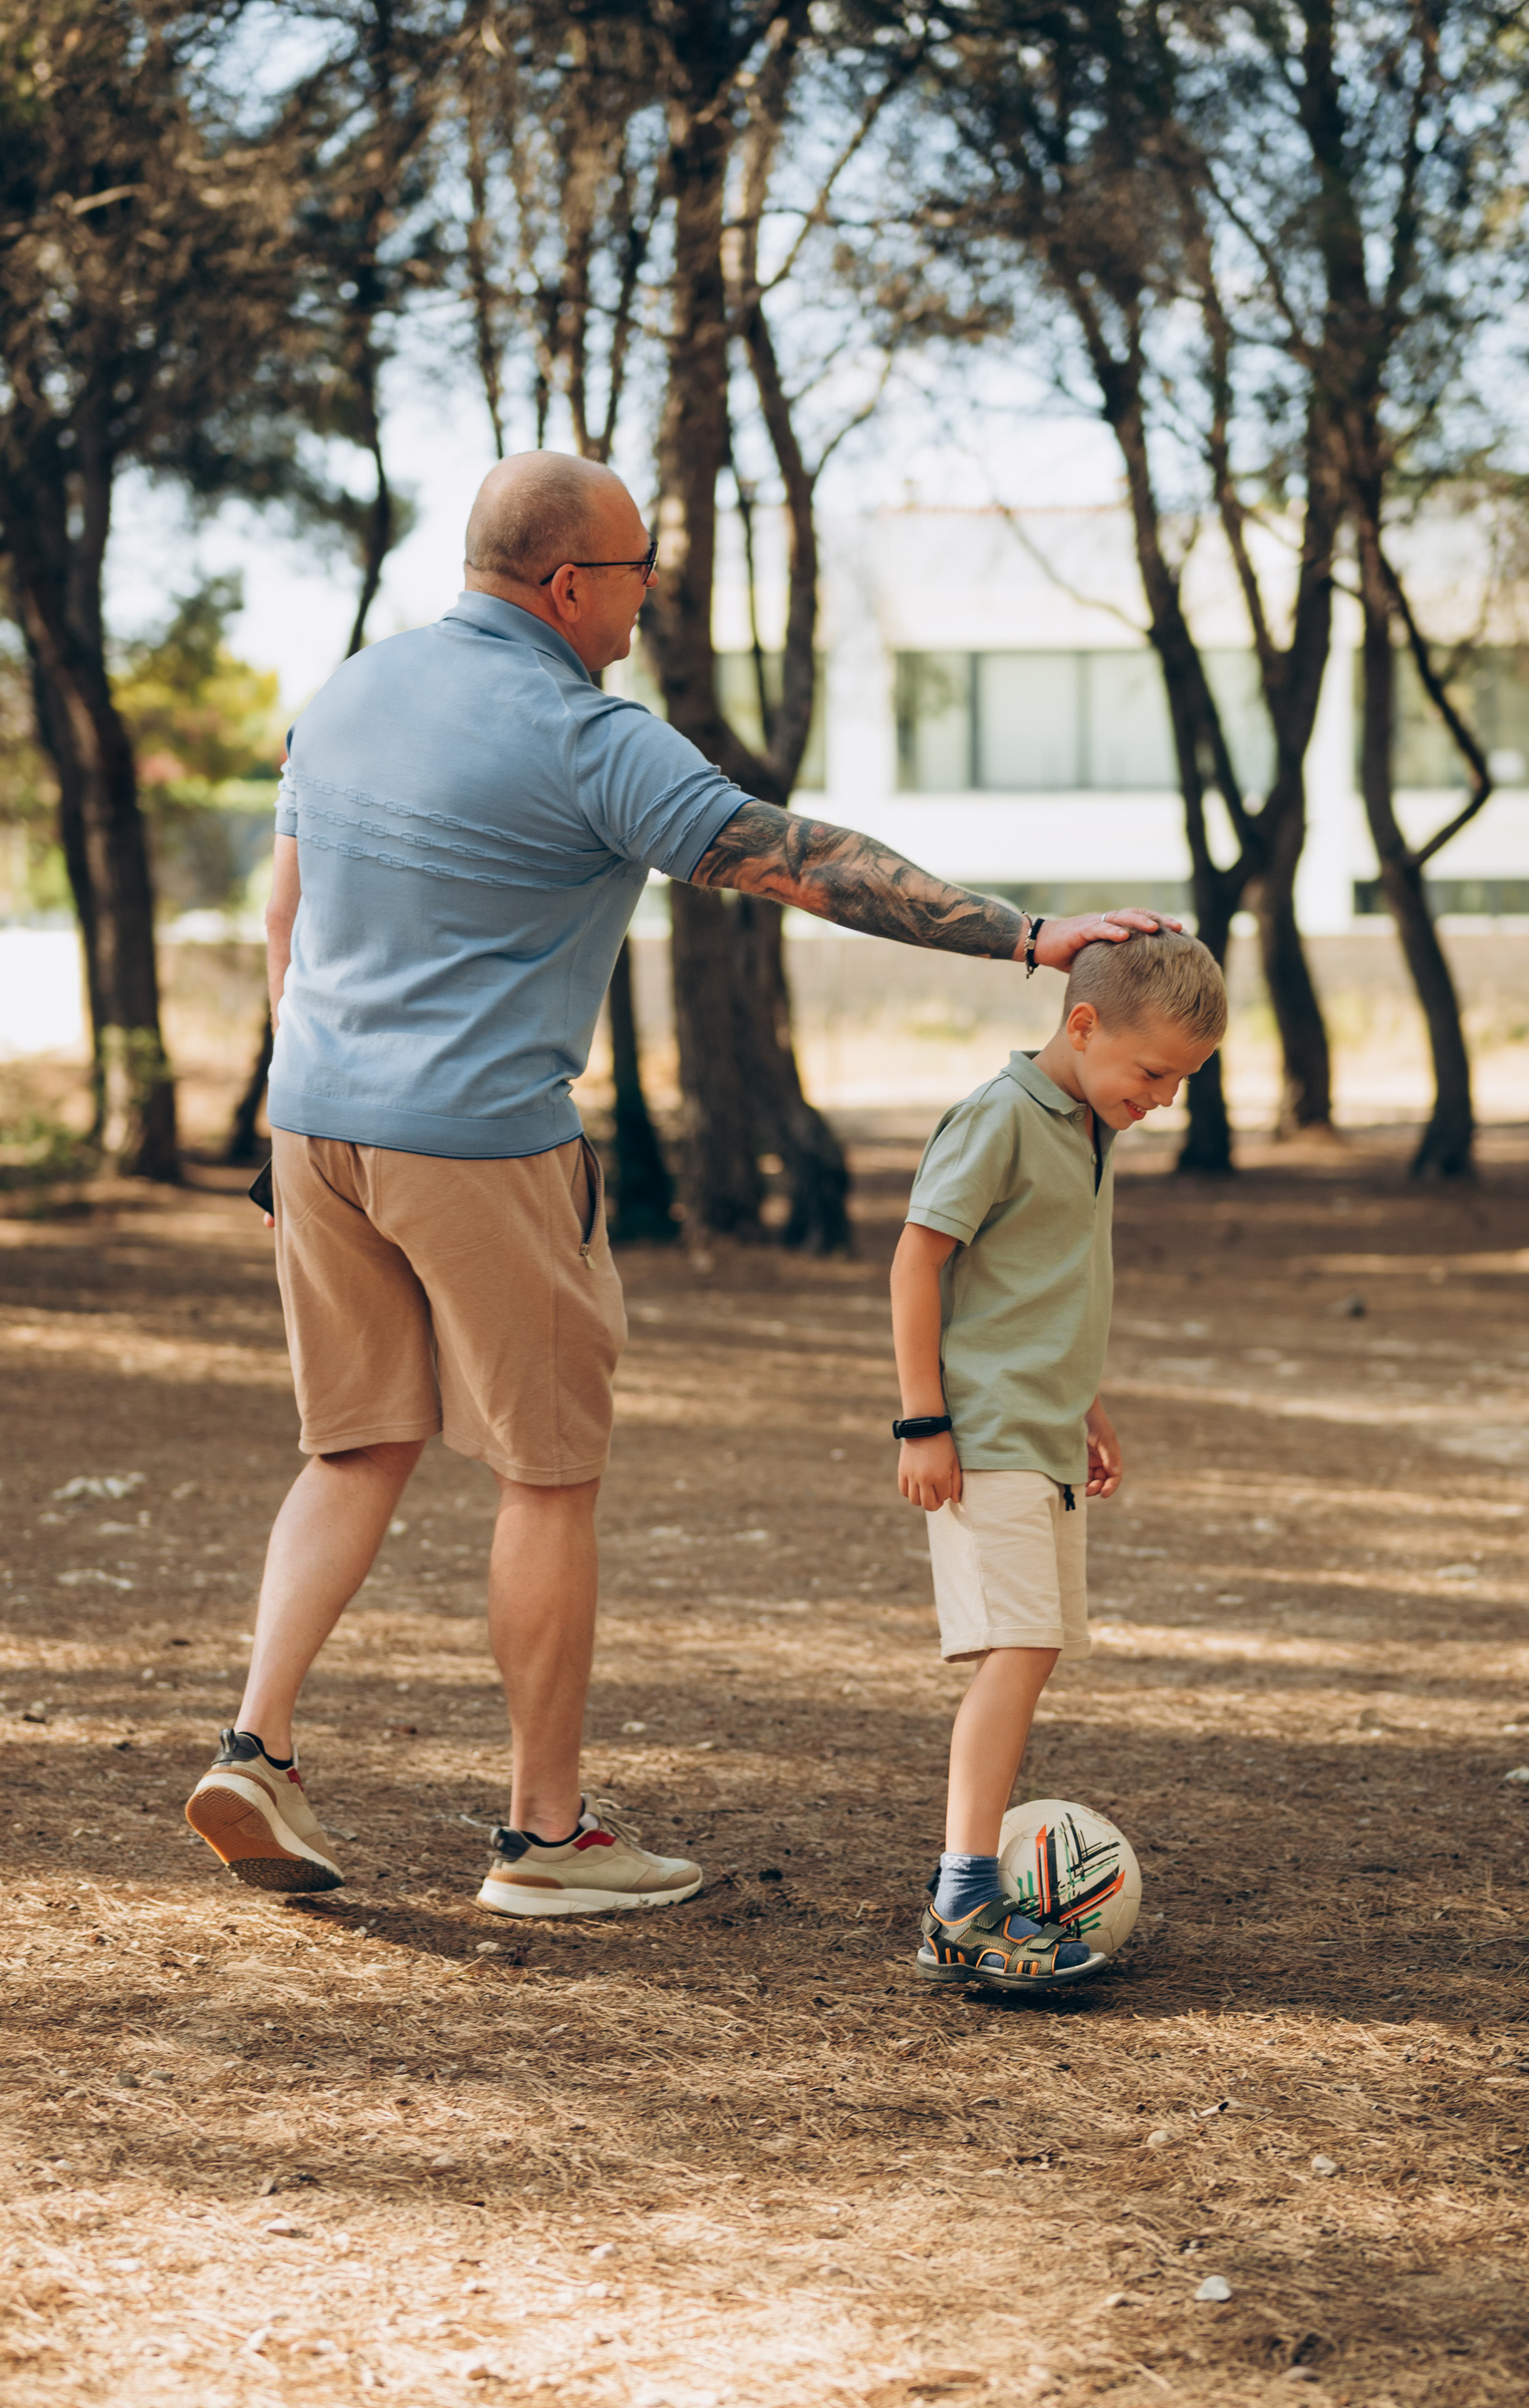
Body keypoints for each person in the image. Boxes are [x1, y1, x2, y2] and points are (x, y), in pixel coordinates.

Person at [183, 446, 1179, 1920]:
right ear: (566, 584)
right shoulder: (588, 737)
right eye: (638, 570)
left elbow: (289, 917)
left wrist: (292, 1114)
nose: (649, 596)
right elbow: (805, 864)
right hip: (481, 1141)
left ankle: (256, 1748)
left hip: (315, 1126)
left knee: (354, 1449)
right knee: (546, 1475)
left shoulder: (344, 696)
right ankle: (542, 1837)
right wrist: (1025, 936)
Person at [890, 928, 1227, 1984]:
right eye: (1154, 1072)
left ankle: (967, 1890)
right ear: (1083, 1025)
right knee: (1020, 1649)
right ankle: (962, 1902)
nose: (1164, 1098)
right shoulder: (999, 1116)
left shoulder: (1089, 1123)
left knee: (1032, 1653)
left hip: (1044, 1433)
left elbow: (1039, 1285)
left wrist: (1087, 1402)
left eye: (1182, 1081)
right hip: (984, 1434)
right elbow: (916, 1264)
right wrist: (922, 1423)